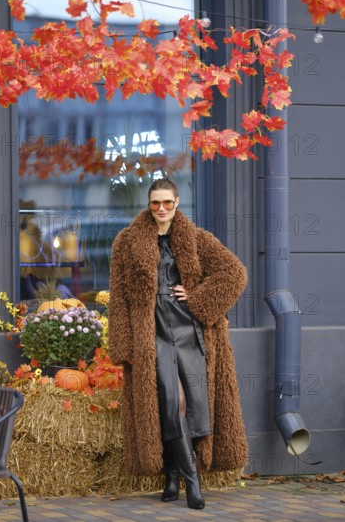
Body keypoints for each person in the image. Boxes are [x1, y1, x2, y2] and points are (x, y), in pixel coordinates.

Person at [108, 178, 248, 510]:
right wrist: (123, 344)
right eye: (155, 203)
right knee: (175, 402)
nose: (160, 209)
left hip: (188, 329)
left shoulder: (197, 239)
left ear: (177, 202)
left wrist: (198, 297)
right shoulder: (126, 243)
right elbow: (118, 297)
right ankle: (191, 481)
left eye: (167, 203)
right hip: (151, 331)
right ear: (148, 203)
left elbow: (235, 273)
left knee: (194, 404)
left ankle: (173, 474)